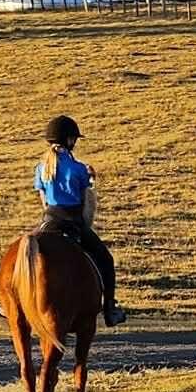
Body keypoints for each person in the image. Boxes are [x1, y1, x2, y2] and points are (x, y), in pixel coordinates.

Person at [34, 114, 127, 326]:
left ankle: (5, 303)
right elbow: (86, 195)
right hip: (72, 221)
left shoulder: (41, 168)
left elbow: (44, 202)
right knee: (105, 259)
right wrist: (92, 178)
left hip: (48, 221)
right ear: (69, 140)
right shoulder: (78, 168)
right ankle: (110, 308)